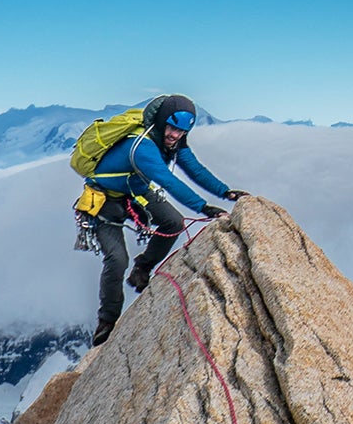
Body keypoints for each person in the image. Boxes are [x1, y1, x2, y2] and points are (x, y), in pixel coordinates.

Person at [79, 94, 245, 344]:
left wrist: (226, 192)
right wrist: (203, 207)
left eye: (181, 131)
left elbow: (195, 169)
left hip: (135, 194)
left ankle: (143, 268)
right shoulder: (141, 146)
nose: (175, 135)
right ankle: (107, 321)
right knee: (117, 260)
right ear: (160, 122)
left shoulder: (172, 142)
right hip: (103, 202)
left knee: (174, 223)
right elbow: (168, 180)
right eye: (171, 128)